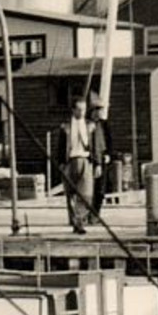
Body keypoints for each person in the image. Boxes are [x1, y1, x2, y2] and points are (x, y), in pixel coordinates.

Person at [57, 94, 100, 233]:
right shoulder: (65, 127)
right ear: (73, 110)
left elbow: (96, 145)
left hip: (86, 160)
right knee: (70, 194)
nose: (82, 112)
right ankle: (75, 221)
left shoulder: (91, 126)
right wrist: (60, 163)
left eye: (84, 109)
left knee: (86, 194)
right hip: (70, 161)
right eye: (79, 109)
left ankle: (80, 220)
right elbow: (60, 146)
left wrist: (97, 163)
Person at [87, 92, 112, 218]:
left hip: (102, 159)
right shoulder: (87, 125)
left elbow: (109, 140)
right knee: (89, 189)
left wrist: (108, 154)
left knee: (100, 190)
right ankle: (88, 214)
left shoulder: (103, 124)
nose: (99, 112)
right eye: (97, 110)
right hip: (90, 159)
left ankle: (96, 213)